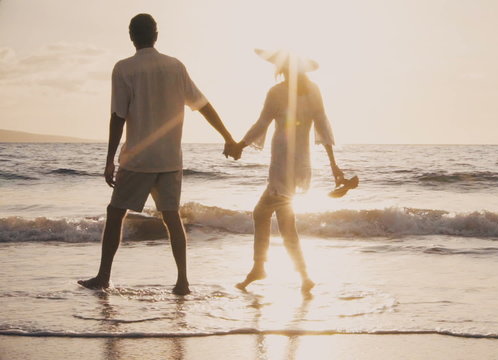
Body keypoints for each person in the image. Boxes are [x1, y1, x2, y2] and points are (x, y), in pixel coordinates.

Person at [78, 14, 237, 295]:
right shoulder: (175, 66)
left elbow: (118, 116)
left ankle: (103, 276)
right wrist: (228, 136)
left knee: (115, 214)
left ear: (131, 35)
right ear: (156, 34)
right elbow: (203, 105)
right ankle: (182, 282)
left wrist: (109, 160)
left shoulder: (124, 68)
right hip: (170, 159)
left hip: (138, 160)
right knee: (171, 217)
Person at [233, 49, 344, 294]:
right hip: (302, 165)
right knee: (285, 221)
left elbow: (262, 123)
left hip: (282, 165)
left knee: (262, 213)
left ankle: (261, 267)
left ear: (282, 69)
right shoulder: (313, 90)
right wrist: (333, 164)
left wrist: (239, 145)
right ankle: (302, 276)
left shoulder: (277, 93)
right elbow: (324, 128)